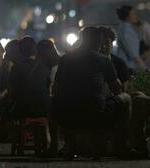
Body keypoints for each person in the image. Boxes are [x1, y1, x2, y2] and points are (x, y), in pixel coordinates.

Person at [52, 27, 133, 157]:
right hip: (96, 115)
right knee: (126, 98)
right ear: (98, 42)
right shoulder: (104, 60)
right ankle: (121, 146)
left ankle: (58, 147)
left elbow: (55, 88)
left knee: (54, 100)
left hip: (66, 116)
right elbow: (117, 89)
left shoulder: (65, 59)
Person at [8, 37, 37, 119]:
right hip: (42, 106)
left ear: (20, 51)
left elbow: (11, 88)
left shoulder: (17, 66)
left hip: (22, 107)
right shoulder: (42, 65)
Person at [98, 26, 130, 91]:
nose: (103, 47)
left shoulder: (119, 63)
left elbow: (124, 89)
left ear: (112, 45)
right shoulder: (90, 62)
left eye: (106, 43)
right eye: (100, 43)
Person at [116, 5, 147, 72]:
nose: (135, 16)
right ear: (127, 17)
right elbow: (134, 55)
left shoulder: (125, 28)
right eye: (133, 14)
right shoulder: (126, 31)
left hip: (128, 67)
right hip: (129, 68)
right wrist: (145, 70)